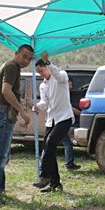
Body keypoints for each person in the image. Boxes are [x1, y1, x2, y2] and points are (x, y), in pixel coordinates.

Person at [0, 44, 34, 204]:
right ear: (16, 53)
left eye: (30, 58)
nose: (26, 60)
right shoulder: (11, 66)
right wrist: (22, 112)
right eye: (24, 56)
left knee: (3, 155)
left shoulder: (12, 67)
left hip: (2, 113)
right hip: (3, 113)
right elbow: (5, 91)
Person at [32, 53, 75, 192]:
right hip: (51, 120)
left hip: (64, 118)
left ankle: (45, 176)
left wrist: (49, 62)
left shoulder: (61, 76)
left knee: (50, 143)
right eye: (38, 72)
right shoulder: (43, 85)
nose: (41, 74)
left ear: (47, 66)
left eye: (42, 70)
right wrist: (38, 106)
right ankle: (55, 183)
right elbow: (45, 103)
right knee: (49, 150)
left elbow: (57, 74)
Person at [61, 78, 81, 171]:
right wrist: (82, 114)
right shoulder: (64, 94)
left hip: (59, 120)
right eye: (70, 83)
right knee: (67, 143)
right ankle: (69, 164)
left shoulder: (65, 93)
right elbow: (70, 108)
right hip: (61, 120)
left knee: (50, 143)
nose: (72, 85)